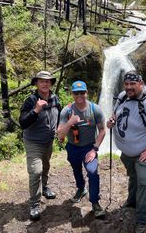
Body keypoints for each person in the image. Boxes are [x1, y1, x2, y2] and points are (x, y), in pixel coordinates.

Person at [107, 70, 146, 233]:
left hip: (145, 154)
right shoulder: (123, 96)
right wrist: (112, 120)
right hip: (127, 154)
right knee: (133, 177)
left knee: (145, 184)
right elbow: (116, 112)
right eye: (127, 84)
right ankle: (132, 201)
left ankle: (142, 220)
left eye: (133, 84)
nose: (129, 87)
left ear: (141, 83)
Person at [57, 80, 106, 218]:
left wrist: (94, 149)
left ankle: (95, 203)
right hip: (73, 147)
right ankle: (81, 189)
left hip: (89, 148)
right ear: (72, 94)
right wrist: (70, 122)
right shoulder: (67, 111)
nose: (79, 95)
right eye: (76, 93)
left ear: (86, 93)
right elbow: (60, 135)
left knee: (92, 172)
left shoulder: (95, 109)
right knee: (76, 169)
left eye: (82, 92)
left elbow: (102, 130)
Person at [19, 71, 60, 221]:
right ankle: (34, 204)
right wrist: (36, 110)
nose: (45, 84)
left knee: (46, 166)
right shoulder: (30, 101)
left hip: (48, 141)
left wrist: (59, 132)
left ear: (51, 83)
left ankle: (44, 187)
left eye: (47, 81)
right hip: (33, 142)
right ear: (36, 83)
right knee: (36, 170)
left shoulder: (55, 98)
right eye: (41, 81)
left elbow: (58, 115)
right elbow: (23, 123)